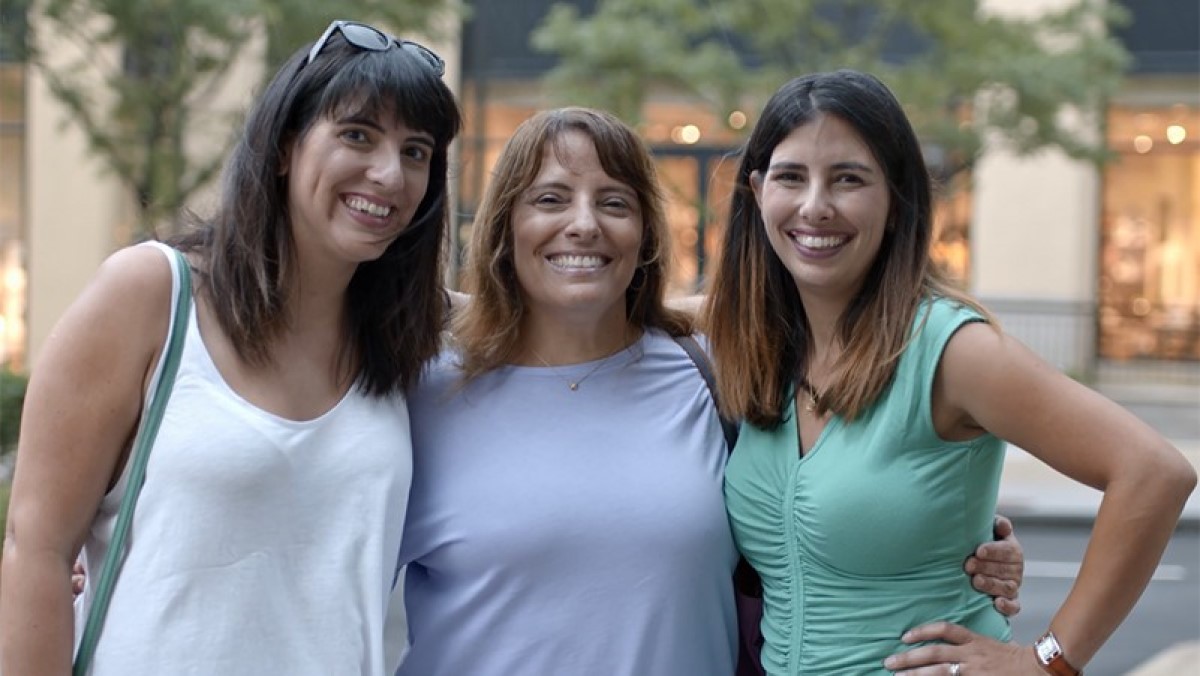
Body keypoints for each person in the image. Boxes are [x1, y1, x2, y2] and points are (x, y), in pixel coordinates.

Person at [395, 106, 1023, 676]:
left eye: (614, 203)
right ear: (504, 226)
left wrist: (960, 546)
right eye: (551, 199)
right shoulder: (424, 394)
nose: (583, 225)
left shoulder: (718, 367)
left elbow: (843, 496)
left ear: (645, 234)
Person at [0, 20, 461, 675]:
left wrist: (657, 315)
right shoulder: (153, 295)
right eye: (357, 135)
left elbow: (555, 315)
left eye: (416, 152)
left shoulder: (406, 332)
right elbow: (36, 550)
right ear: (283, 146)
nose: (389, 174)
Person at [704, 69, 1197, 675]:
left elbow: (1153, 473)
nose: (814, 206)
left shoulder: (950, 350)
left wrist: (1047, 662)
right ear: (757, 192)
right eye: (790, 177)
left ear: (896, 200)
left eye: (848, 179)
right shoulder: (757, 347)